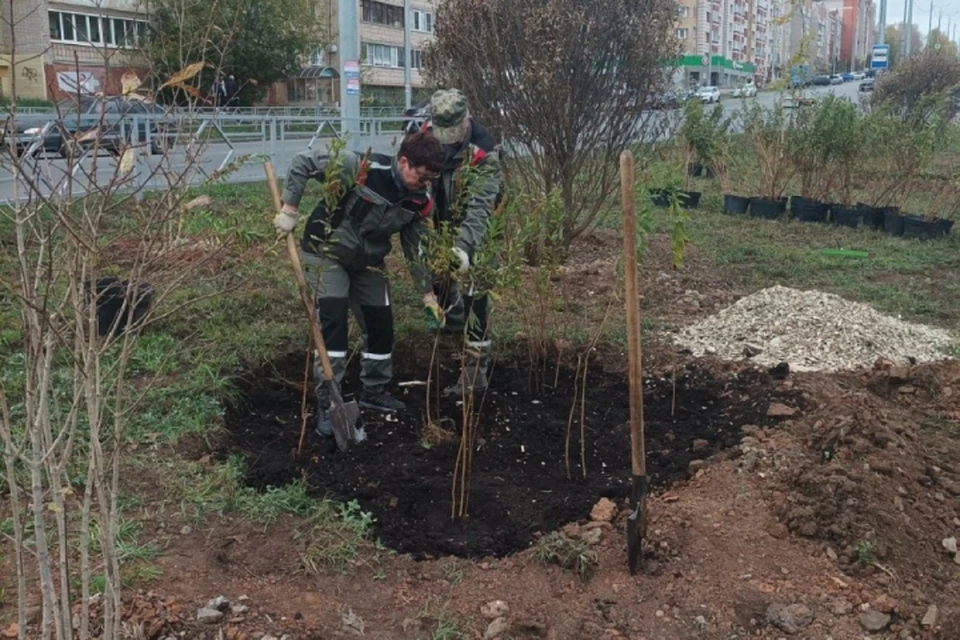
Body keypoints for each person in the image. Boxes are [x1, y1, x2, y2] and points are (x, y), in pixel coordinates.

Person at [273, 132, 447, 436]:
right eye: (422, 176)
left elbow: (416, 249)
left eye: (431, 178)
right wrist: (290, 209)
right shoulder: (361, 167)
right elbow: (303, 162)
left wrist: (428, 295)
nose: (425, 183)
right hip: (326, 251)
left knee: (381, 323)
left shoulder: (419, 201)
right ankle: (329, 402)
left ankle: (374, 391)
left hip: (367, 262)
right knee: (333, 322)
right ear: (403, 161)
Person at [419, 89, 503, 397]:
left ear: (466, 120)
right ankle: (451, 341)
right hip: (439, 225)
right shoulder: (424, 137)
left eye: (453, 132)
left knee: (475, 295)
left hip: (478, 232)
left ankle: (475, 374)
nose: (447, 140)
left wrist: (464, 248)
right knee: (440, 284)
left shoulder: (484, 150)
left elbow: (480, 207)